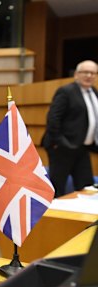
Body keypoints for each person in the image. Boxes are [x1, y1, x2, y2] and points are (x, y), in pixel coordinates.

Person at [42, 60, 98, 197]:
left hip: (82, 148)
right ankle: (54, 217)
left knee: (86, 188)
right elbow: (53, 119)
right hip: (62, 148)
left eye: (93, 73)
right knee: (57, 189)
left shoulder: (94, 92)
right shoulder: (66, 91)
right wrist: (62, 143)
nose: (89, 75)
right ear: (76, 74)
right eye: (86, 72)